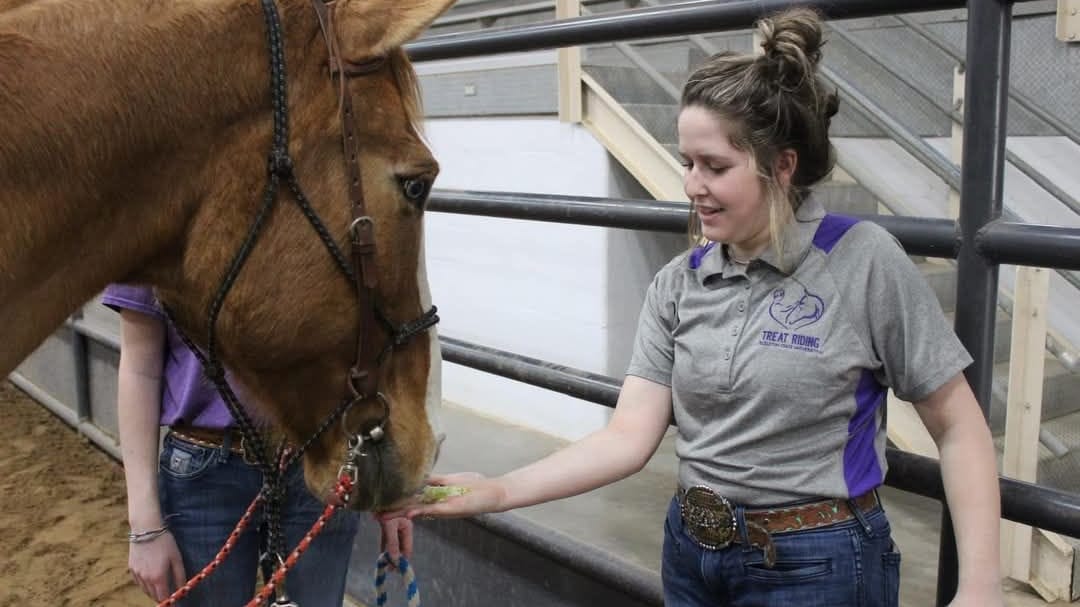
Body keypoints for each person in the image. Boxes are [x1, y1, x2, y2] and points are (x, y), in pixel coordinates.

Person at [386, 8, 1003, 607]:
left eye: (715, 166)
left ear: (781, 166)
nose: (691, 186)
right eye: (687, 162)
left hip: (818, 563)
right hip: (692, 553)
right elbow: (628, 436)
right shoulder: (680, 282)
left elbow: (957, 425)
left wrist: (980, 585)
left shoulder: (863, 261)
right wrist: (498, 490)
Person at [106, 284, 413, 605]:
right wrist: (144, 526)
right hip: (204, 471)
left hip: (320, 461)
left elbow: (375, 348)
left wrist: (392, 489)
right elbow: (140, 365)